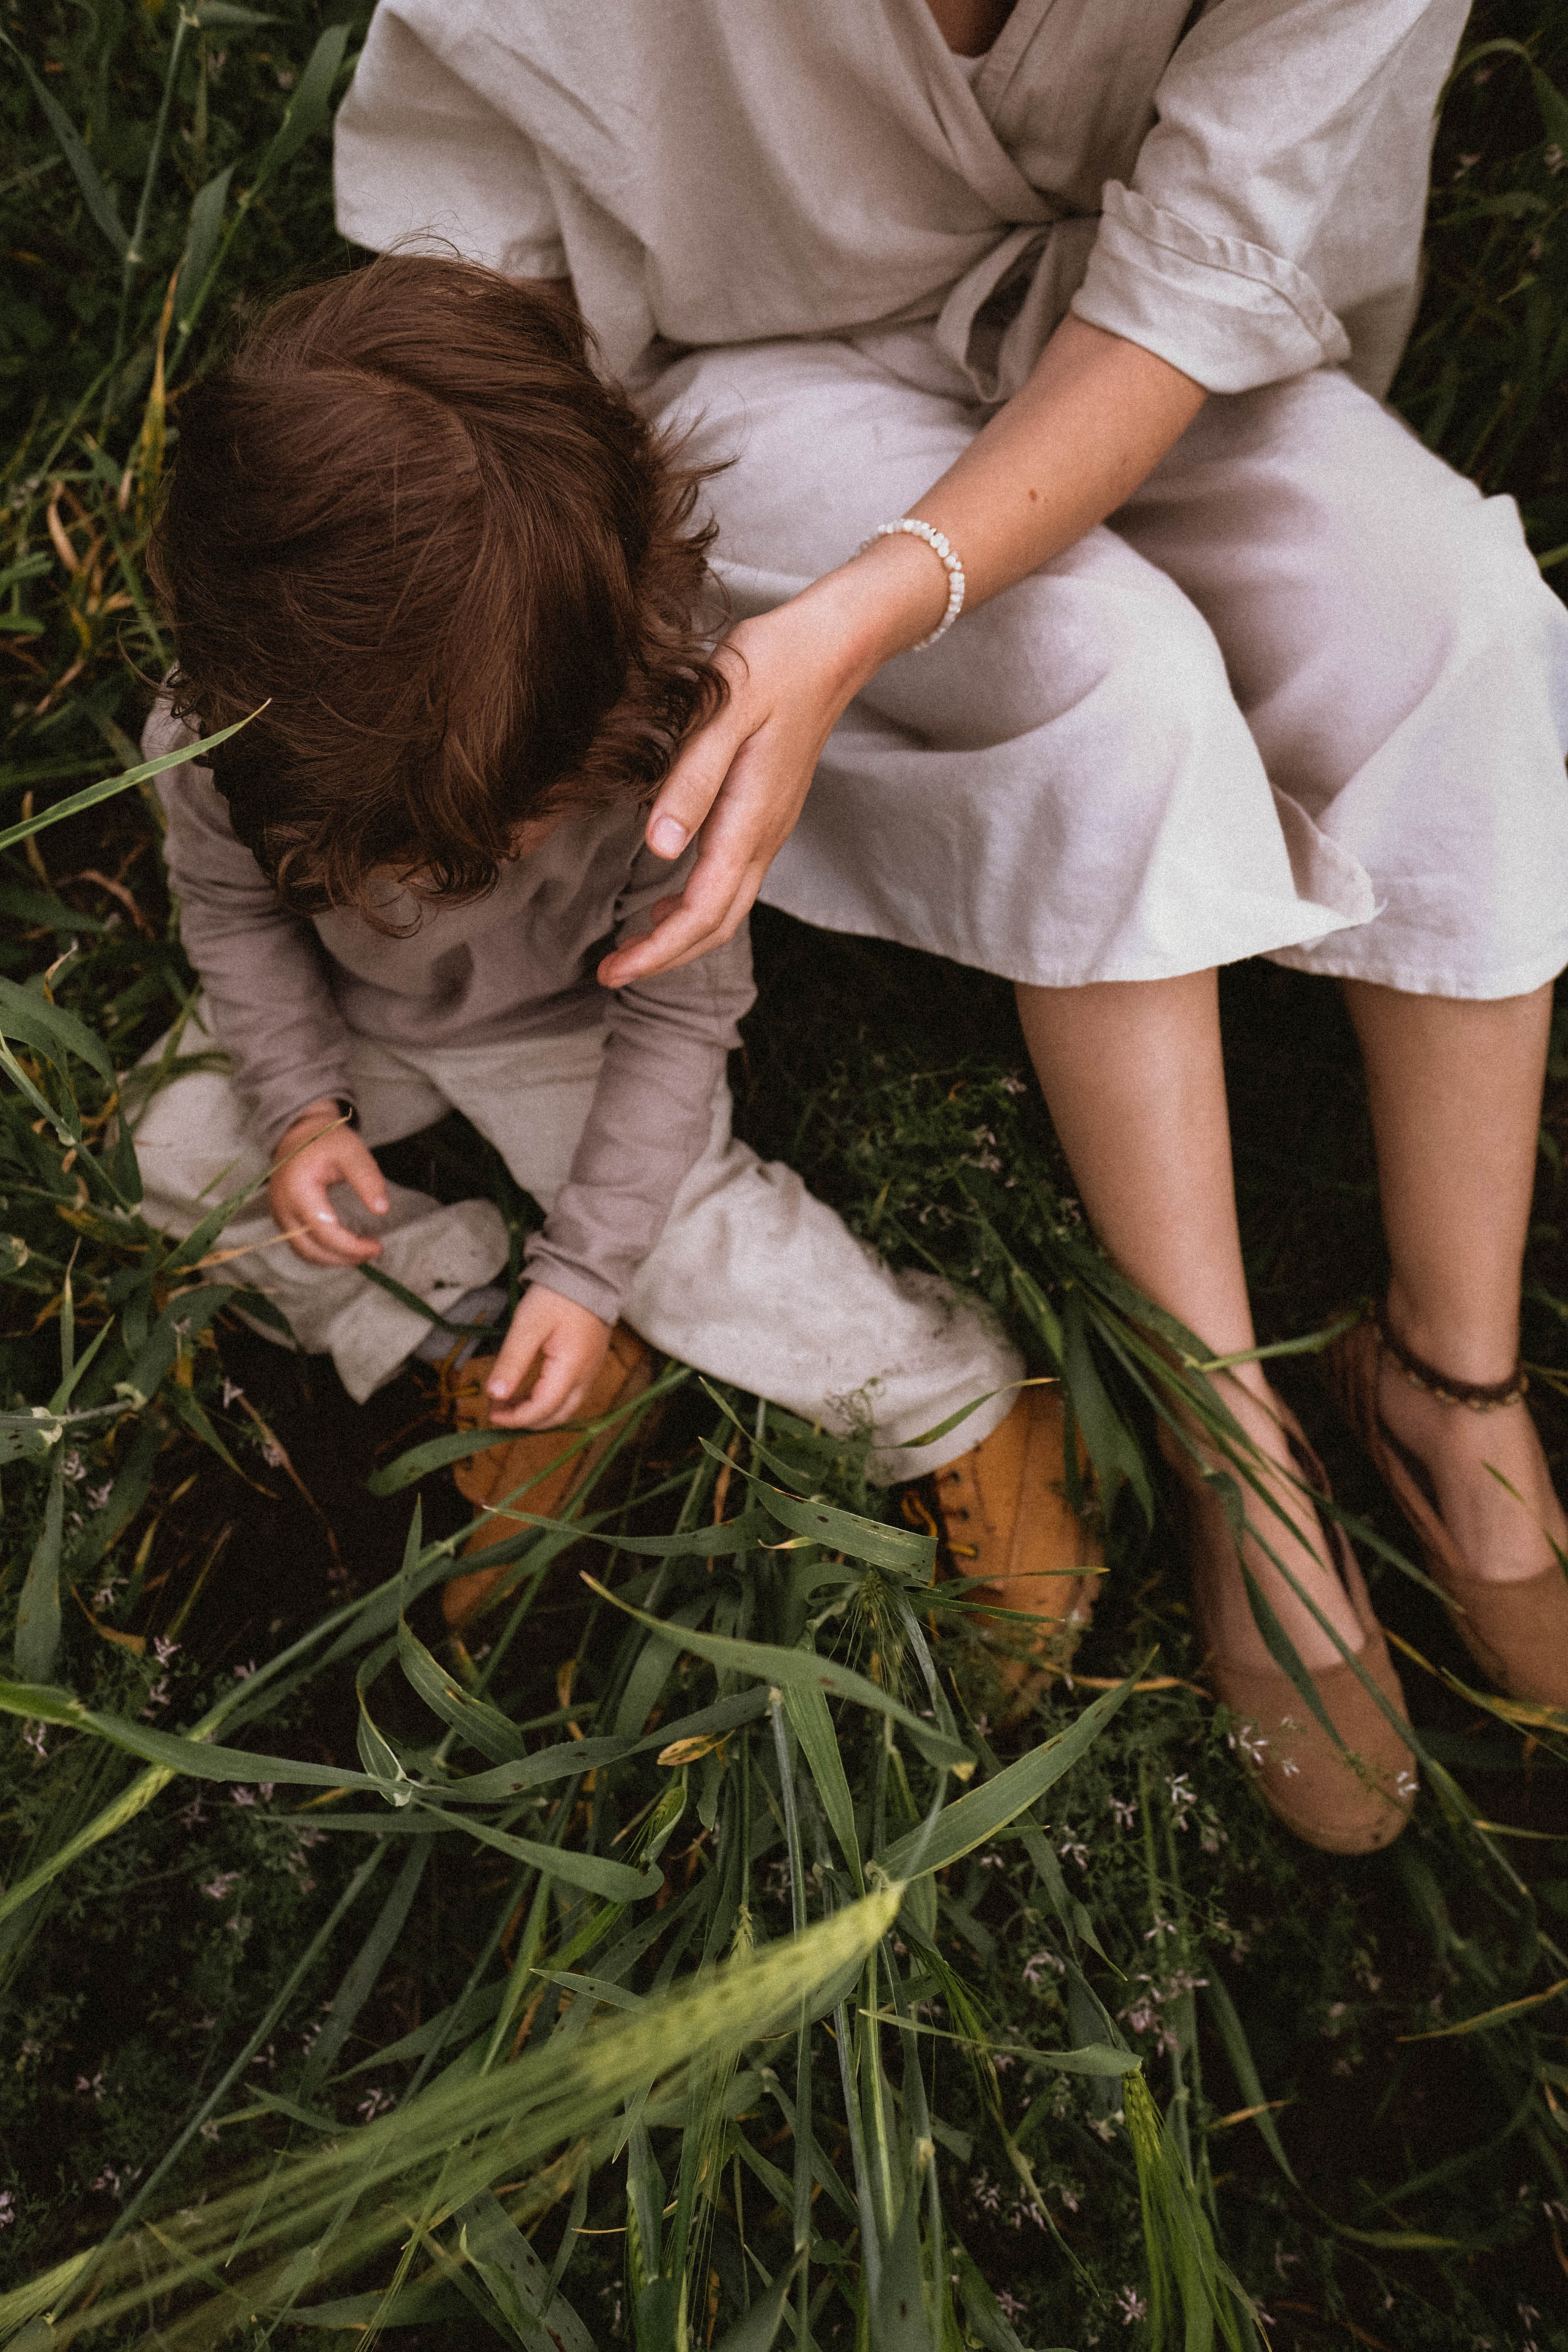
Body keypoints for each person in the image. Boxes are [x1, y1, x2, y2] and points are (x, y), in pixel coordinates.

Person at [330, 0, 1568, 1850]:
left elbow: (1196, 273)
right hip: (723, 333)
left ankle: (1451, 1382)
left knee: (1460, 614)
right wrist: (808, 629)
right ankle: (1235, 1450)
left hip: (1141, 321)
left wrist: (879, 607)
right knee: (1110, 679)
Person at [132, 254, 1102, 1662]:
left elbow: (680, 1013)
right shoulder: (216, 744)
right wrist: (299, 1109)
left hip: (583, 1020)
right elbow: (232, 920)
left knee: (684, 1234)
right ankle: (480, 1337)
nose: (453, 874)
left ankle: (955, 1403)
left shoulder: (659, 720)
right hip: (354, 1026)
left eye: (509, 827)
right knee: (174, 1151)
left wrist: (588, 1267)